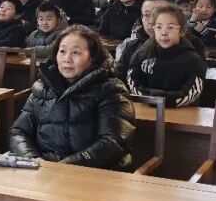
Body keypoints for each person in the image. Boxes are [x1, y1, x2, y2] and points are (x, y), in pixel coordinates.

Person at [9, 26, 136, 170]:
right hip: (43, 171)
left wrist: (61, 169)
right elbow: (19, 132)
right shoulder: (42, 87)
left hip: (93, 173)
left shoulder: (111, 89)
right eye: (62, 51)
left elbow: (113, 143)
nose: (67, 59)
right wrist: (33, 160)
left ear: (93, 57)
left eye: (75, 52)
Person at [127, 4, 207, 108]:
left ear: (182, 31)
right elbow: (133, 81)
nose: (164, 33)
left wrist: (160, 100)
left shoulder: (193, 60)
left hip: (182, 111)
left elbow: (192, 92)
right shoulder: (142, 54)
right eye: (159, 27)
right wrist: (152, 98)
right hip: (146, 109)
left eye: (171, 27)